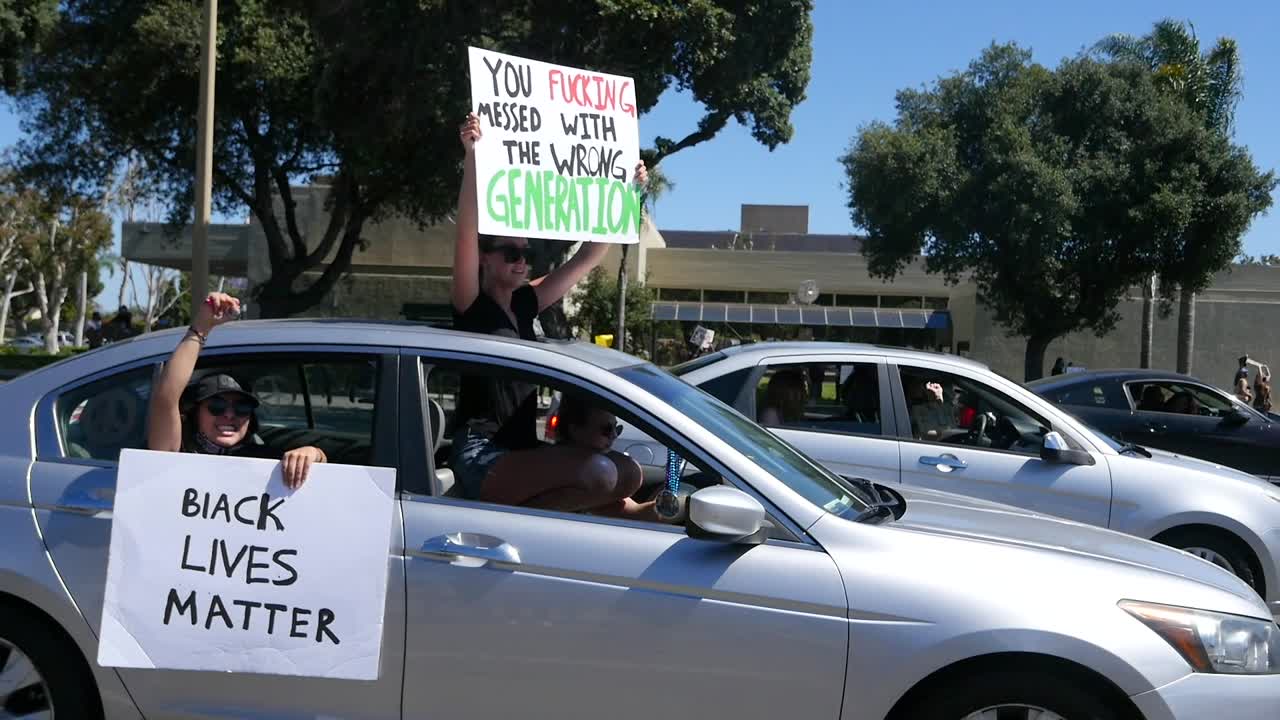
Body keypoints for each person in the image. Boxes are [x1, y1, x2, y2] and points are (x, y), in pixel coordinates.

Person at [448, 111, 648, 511]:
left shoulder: (526, 302)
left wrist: (631, 195)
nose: (523, 261)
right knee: (602, 473)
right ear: (484, 258)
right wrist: (473, 156)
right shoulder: (471, 305)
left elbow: (589, 257)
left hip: (523, 449)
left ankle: (620, 518)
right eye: (511, 253)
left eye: (527, 253)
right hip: (482, 454)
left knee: (629, 473)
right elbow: (467, 227)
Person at [146, 292, 327, 489]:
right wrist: (201, 328)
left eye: (242, 407)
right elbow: (166, 398)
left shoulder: (265, 462)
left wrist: (314, 454)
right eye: (217, 405)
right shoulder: (175, 454)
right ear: (196, 411)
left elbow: (323, 477)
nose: (230, 415)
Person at [552, 393, 679, 523]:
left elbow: (636, 514)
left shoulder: (592, 480)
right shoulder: (562, 476)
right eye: (606, 429)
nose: (614, 435)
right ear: (575, 430)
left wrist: (673, 485)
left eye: (617, 428)